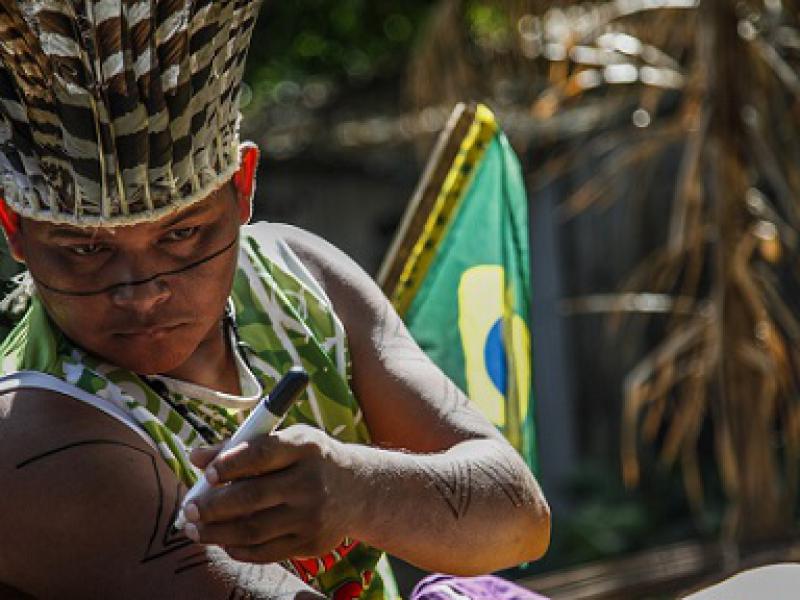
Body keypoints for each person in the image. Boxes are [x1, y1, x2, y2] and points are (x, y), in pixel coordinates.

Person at [0, 1, 550, 598]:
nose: (143, 292)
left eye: (182, 235)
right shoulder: (30, 433)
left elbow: (520, 520)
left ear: (243, 187)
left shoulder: (300, 275)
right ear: (14, 230)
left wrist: (357, 490)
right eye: (86, 250)